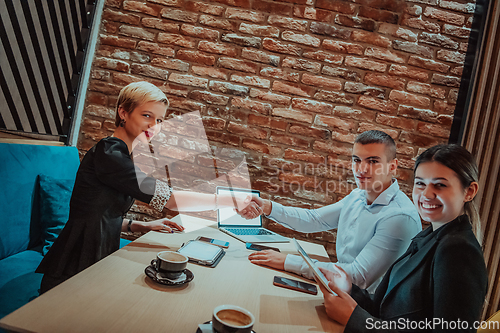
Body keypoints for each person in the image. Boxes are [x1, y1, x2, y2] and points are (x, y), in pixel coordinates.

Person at [36, 81, 250, 293]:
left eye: (159, 119)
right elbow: (172, 201)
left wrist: (141, 226)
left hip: (96, 254)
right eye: (146, 115)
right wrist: (228, 199)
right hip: (75, 264)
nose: (153, 125)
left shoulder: (122, 155)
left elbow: (98, 214)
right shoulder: (109, 153)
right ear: (123, 112)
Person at [318, 144, 488, 331]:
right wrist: (350, 289)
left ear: (469, 191)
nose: (426, 194)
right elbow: (387, 309)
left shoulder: (458, 250)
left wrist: (355, 318)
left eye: (440, 185)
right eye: (420, 183)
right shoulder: (427, 237)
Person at [240, 130, 422, 293]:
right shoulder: (357, 196)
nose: (361, 169)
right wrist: (267, 206)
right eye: (357, 160)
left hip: (366, 310)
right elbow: (314, 220)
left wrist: (287, 262)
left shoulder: (399, 217)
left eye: (373, 161)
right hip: (340, 290)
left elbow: (358, 277)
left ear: (393, 166)